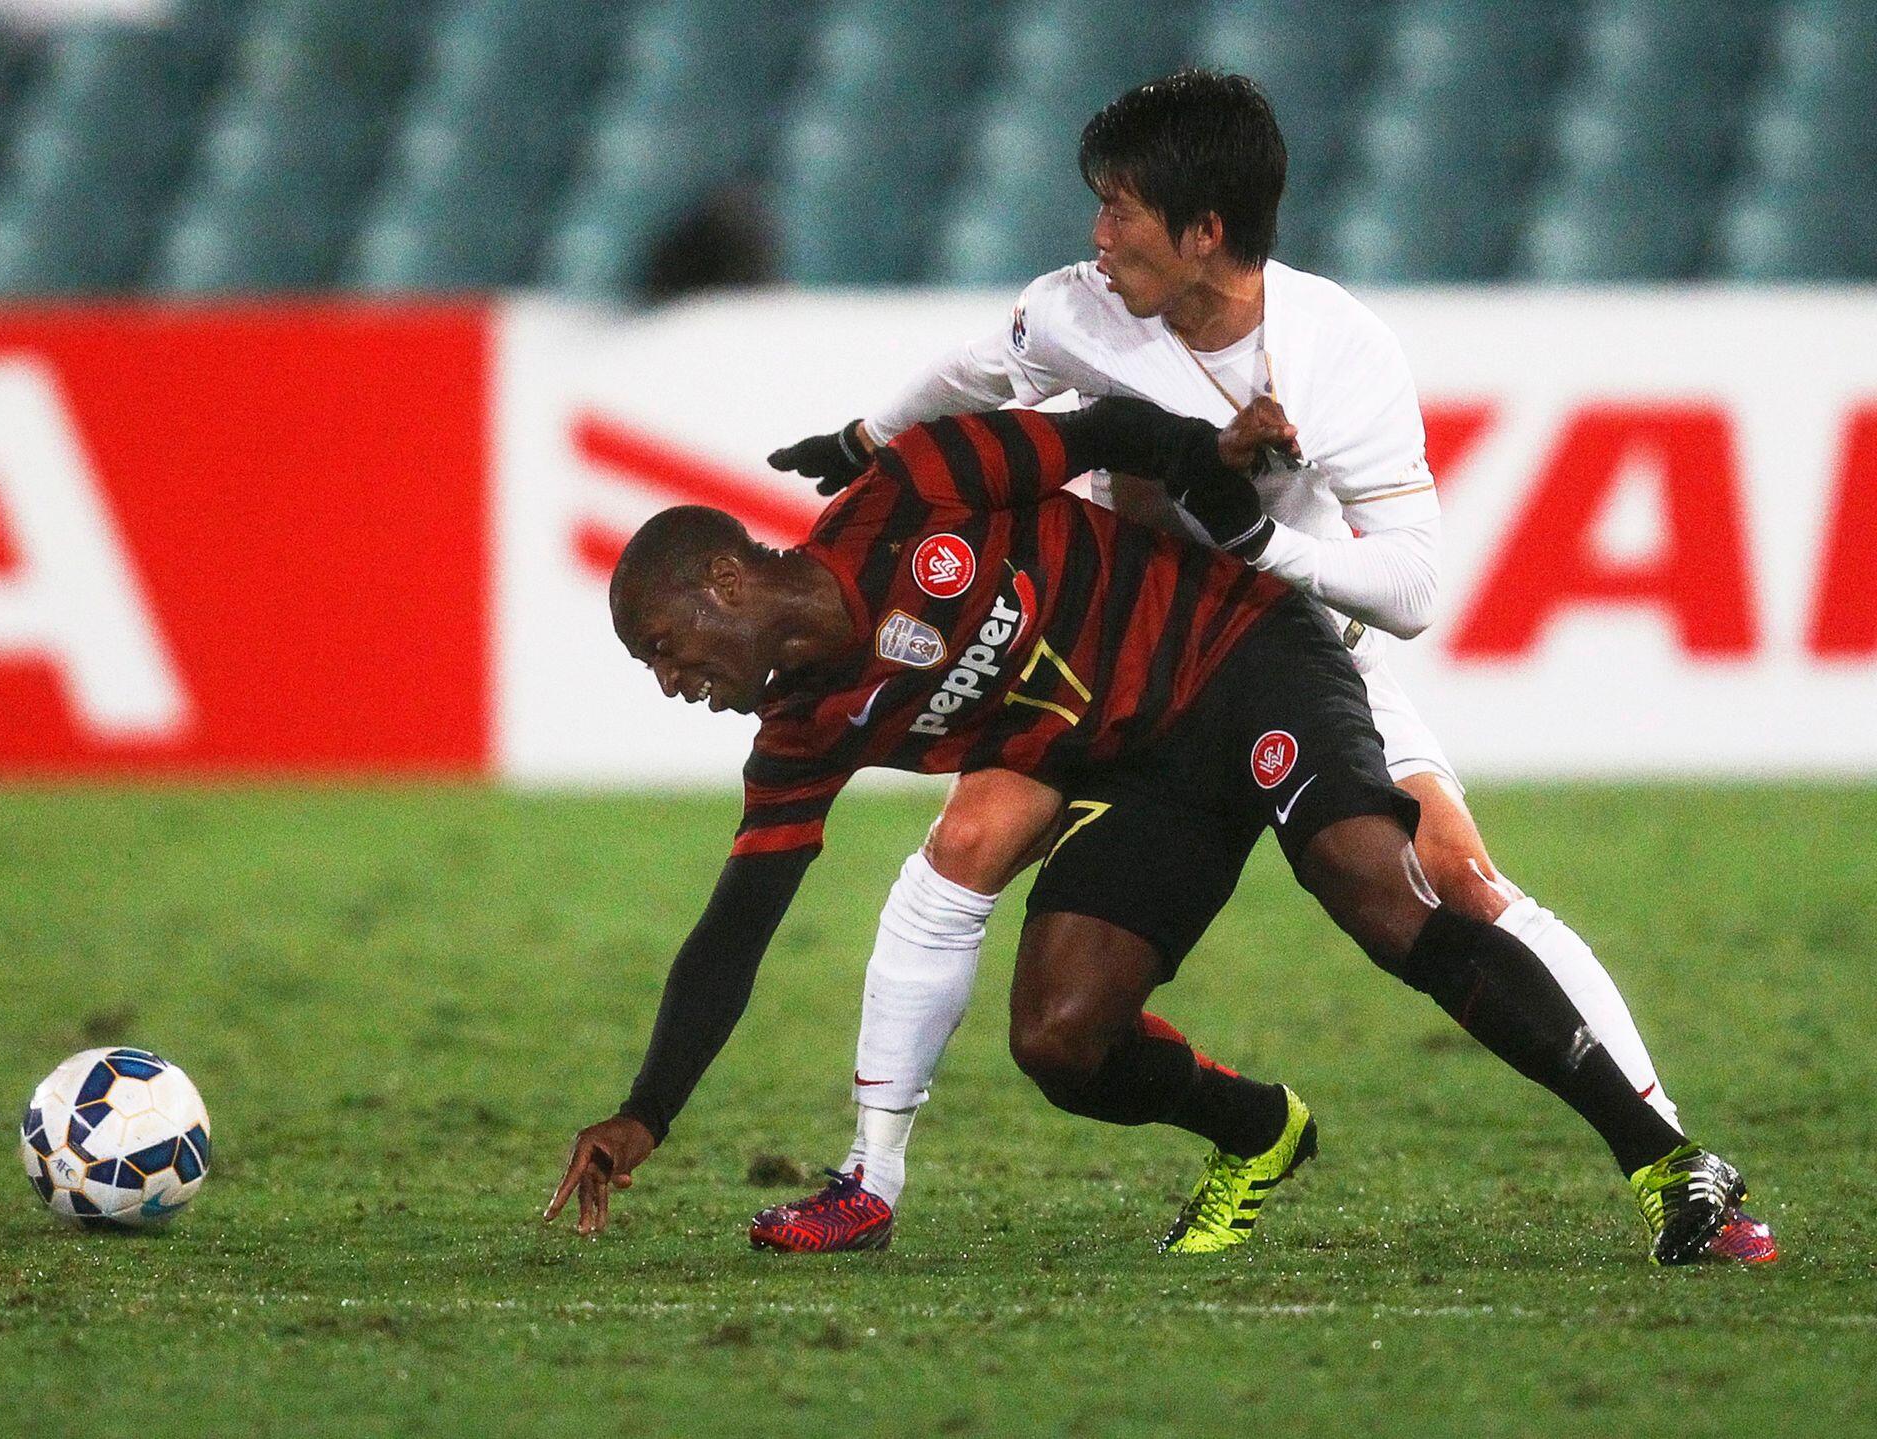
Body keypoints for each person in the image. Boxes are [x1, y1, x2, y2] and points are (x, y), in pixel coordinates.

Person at [758, 68, 1775, 1262]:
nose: (1096, 234)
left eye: (1119, 208)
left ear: (1203, 231)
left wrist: (1261, 542)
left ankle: (1671, 1159)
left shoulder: (1336, 352)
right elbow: (978, 371)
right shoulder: (1078, 309)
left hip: (1283, 647)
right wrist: (867, 438)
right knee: (974, 852)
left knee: (1448, 873)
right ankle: (869, 1179)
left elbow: (1409, 588)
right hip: (1106, 659)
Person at [544, 395, 1749, 1266]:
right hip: (1146, 765)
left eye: (664, 648)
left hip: (1241, 650)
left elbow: (1104, 432)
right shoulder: (800, 731)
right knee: (1058, 1039)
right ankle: (1258, 1129)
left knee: (1377, 887)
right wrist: (645, 1110)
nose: (671, 682)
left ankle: (1664, 1159)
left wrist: (1213, 472)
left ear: (724, 580)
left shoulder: (916, 490)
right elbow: (734, 930)